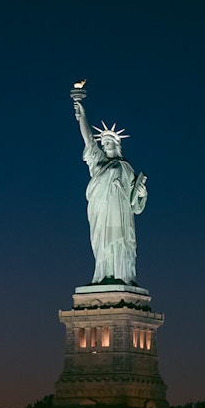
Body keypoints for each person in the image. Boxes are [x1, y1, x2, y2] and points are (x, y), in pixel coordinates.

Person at [74, 100, 147, 285]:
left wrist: (141, 193)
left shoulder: (126, 168)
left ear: (116, 144)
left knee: (119, 241)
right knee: (103, 242)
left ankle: (122, 276)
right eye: (104, 142)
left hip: (120, 213)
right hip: (101, 210)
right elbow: (89, 140)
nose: (105, 145)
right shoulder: (98, 162)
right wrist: (82, 115)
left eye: (109, 142)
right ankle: (103, 275)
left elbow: (135, 205)